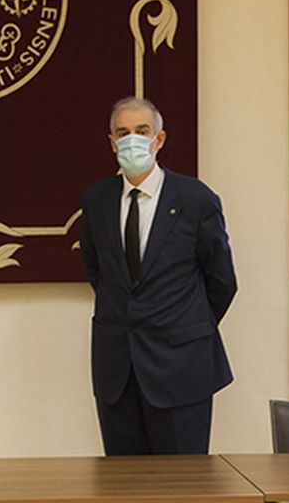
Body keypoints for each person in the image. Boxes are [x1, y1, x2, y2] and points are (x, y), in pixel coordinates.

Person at [79, 97, 236, 455]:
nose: (132, 140)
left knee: (182, 484)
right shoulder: (95, 201)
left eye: (141, 131)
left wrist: (184, 324)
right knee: (124, 485)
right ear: (111, 142)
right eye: (123, 133)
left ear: (159, 140)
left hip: (182, 366)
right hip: (117, 368)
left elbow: (222, 280)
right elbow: (99, 274)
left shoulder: (195, 199)